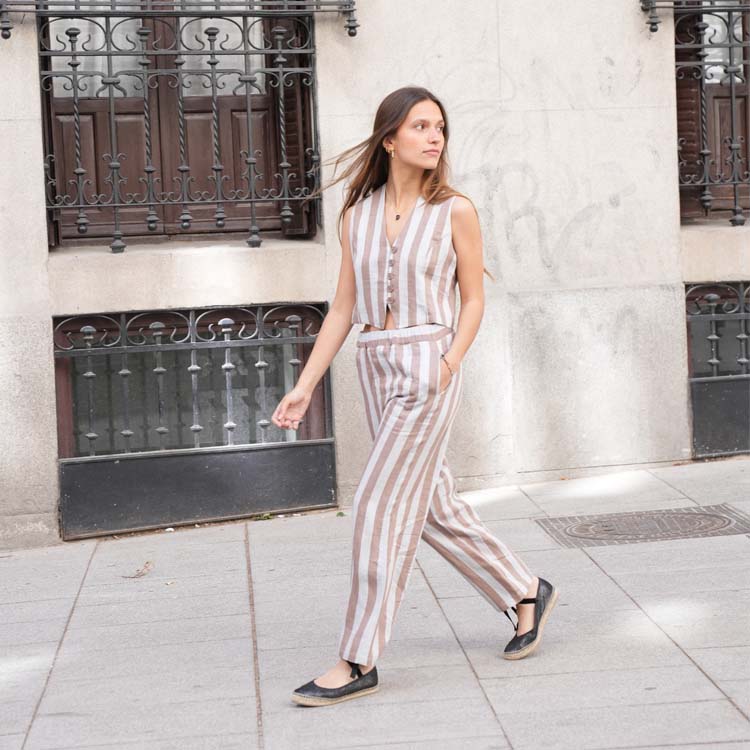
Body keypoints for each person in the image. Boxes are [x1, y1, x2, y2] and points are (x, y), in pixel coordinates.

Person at [271, 86, 559, 708]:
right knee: (430, 504)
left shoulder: (455, 209)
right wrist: (304, 385)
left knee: (377, 502)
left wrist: (449, 361)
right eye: (421, 126)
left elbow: (474, 297)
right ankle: (524, 589)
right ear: (389, 138)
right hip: (374, 364)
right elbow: (343, 308)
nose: (435, 137)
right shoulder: (358, 215)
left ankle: (357, 656)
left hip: (428, 363)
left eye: (440, 128)